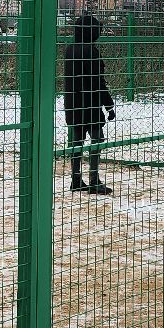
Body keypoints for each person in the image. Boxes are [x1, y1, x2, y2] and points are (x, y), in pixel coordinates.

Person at [62, 14, 115, 194]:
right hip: (90, 103)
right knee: (97, 139)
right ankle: (94, 180)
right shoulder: (91, 51)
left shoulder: (70, 49)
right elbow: (98, 82)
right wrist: (109, 104)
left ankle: (76, 179)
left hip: (72, 103)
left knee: (76, 142)